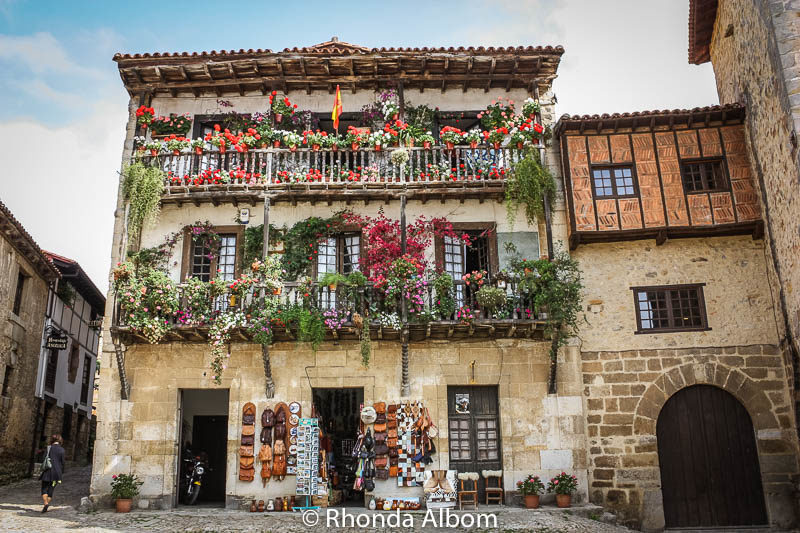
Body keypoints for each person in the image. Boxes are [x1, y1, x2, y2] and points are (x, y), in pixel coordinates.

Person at [40, 434, 65, 513]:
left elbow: (43, 458)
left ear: (52, 440)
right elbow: (63, 462)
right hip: (57, 473)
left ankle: (45, 503)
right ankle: (47, 504)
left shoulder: (48, 448)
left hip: (48, 471)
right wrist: (61, 472)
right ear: (60, 440)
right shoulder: (62, 450)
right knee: (51, 489)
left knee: (44, 488)